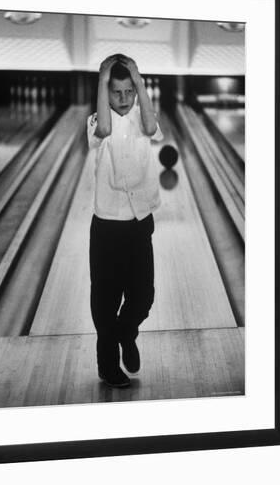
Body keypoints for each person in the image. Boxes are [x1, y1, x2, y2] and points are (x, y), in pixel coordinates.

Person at [87, 54, 163, 388]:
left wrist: (137, 77)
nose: (122, 99)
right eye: (116, 92)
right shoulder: (95, 121)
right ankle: (108, 366)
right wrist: (103, 78)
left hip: (138, 221)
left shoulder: (144, 119)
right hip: (107, 226)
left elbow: (150, 127)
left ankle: (125, 334)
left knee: (143, 295)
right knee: (106, 299)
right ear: (106, 92)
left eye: (128, 92)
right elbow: (104, 128)